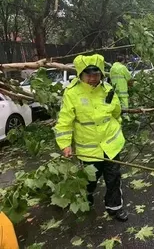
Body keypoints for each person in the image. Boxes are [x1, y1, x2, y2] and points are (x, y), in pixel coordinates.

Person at [54, 54, 128, 221]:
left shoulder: (108, 90)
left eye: (96, 74)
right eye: (89, 75)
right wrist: (65, 144)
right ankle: (86, 199)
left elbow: (116, 113)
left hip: (111, 145)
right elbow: (65, 122)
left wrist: (118, 128)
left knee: (113, 178)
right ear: (81, 74)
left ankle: (115, 207)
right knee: (89, 180)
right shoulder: (72, 94)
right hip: (89, 149)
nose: (93, 78)